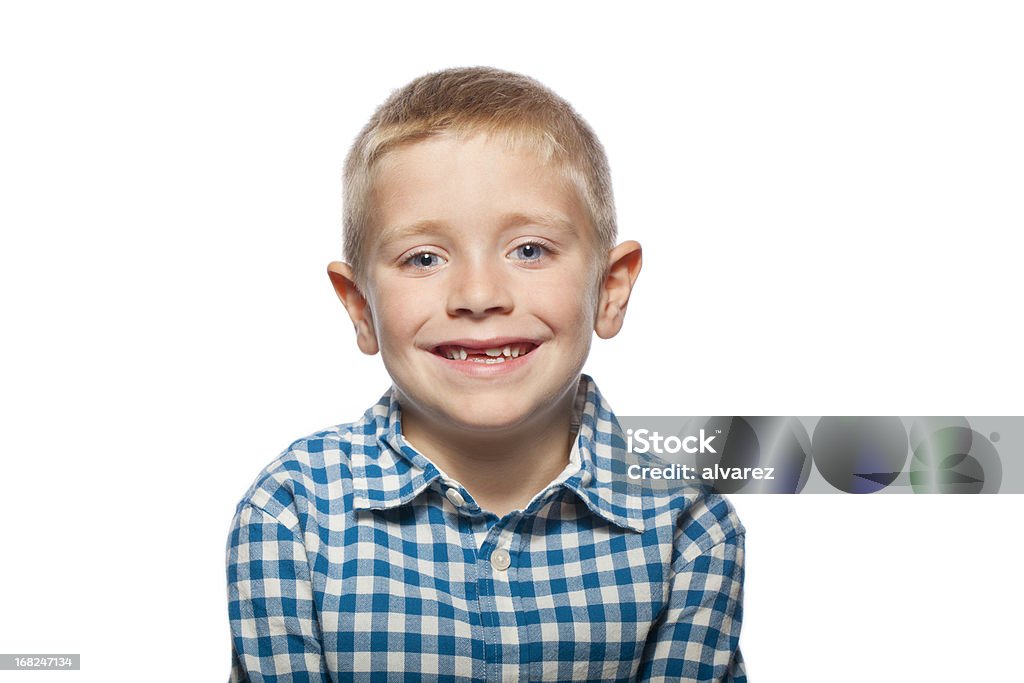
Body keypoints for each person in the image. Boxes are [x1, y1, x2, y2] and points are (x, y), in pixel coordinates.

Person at [226, 66, 746, 682]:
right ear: (360, 307)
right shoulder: (292, 513)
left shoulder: (690, 528)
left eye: (529, 250)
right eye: (424, 258)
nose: (478, 294)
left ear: (609, 290)